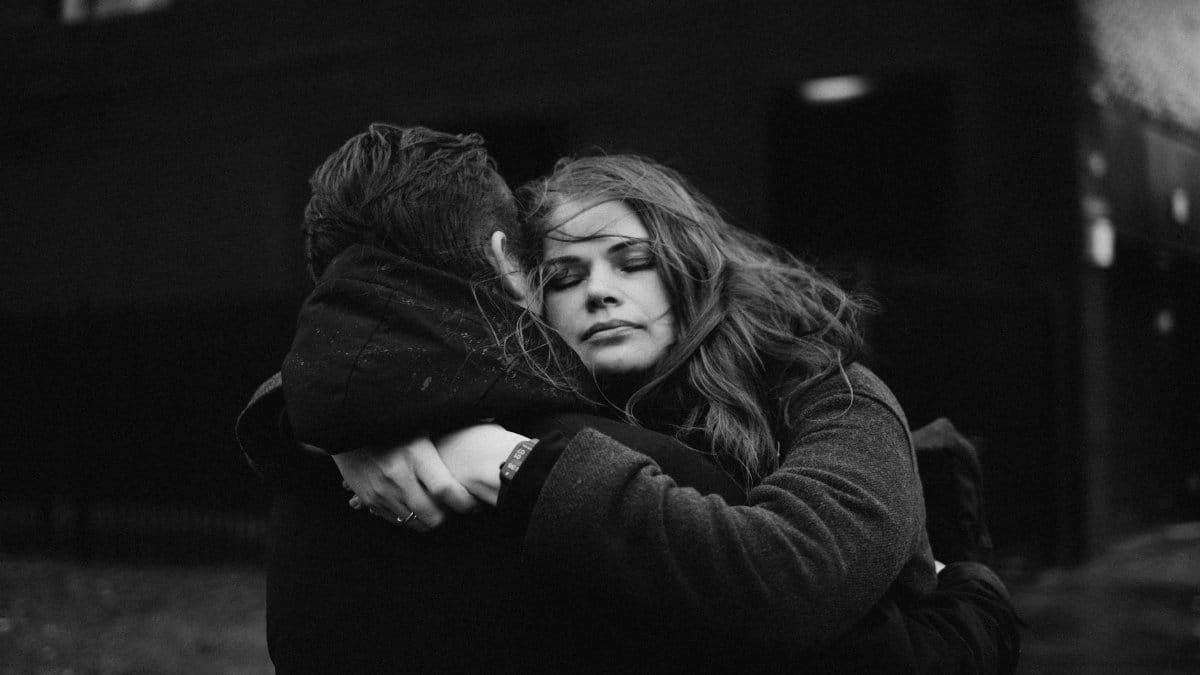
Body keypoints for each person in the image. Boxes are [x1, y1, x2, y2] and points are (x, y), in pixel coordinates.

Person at [238, 124, 1020, 673]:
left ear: (685, 265)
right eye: (566, 276)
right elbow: (391, 354)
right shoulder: (556, 413)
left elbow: (793, 580)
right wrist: (337, 428)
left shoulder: (827, 393)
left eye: (631, 260)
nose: (601, 292)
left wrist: (974, 587)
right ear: (522, 295)